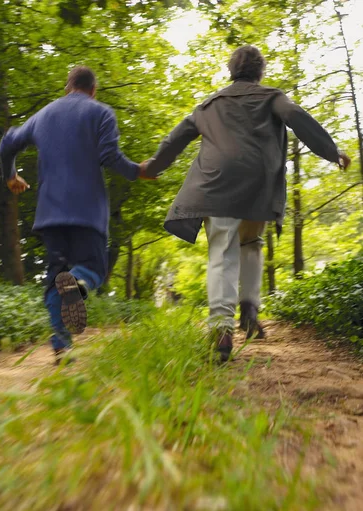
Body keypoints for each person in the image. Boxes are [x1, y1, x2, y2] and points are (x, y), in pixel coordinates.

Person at [143, 45, 351, 361]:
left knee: (222, 251)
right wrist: (331, 151)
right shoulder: (272, 97)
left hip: (217, 184)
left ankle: (222, 328)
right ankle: (250, 310)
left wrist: (153, 167)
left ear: (231, 71)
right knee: (251, 243)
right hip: (259, 185)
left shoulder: (209, 105)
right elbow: (295, 116)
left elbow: (177, 137)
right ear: (260, 72)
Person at [0, 66, 151, 362]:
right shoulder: (101, 112)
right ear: (93, 90)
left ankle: (62, 346)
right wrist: (137, 171)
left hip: (50, 213)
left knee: (56, 275)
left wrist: (11, 176)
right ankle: (78, 284)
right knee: (92, 269)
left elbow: (7, 144)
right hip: (87, 211)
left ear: (67, 87)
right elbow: (109, 156)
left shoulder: (43, 115)